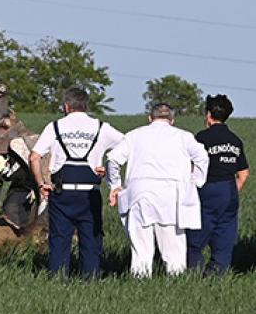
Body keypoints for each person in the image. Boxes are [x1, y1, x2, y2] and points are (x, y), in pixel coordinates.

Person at [28, 87, 124, 277]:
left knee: (59, 240)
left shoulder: (55, 127)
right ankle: (91, 279)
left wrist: (41, 185)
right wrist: (107, 165)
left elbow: (34, 157)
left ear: (66, 106)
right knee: (91, 240)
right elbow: (126, 144)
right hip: (90, 193)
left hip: (61, 193)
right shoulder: (100, 127)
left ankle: (58, 280)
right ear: (85, 106)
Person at [106, 103, 209, 277]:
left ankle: (140, 283)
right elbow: (202, 157)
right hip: (172, 195)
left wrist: (115, 185)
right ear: (172, 120)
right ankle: (177, 284)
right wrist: (195, 181)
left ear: (150, 118)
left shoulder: (134, 135)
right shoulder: (183, 136)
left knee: (141, 249)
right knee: (174, 248)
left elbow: (112, 159)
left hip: (139, 193)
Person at [187, 94, 248, 274]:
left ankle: (194, 275)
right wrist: (231, 191)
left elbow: (191, 167)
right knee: (224, 239)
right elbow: (244, 174)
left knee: (195, 239)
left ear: (208, 114)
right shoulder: (235, 140)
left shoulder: (202, 138)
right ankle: (216, 275)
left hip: (208, 189)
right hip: (229, 190)